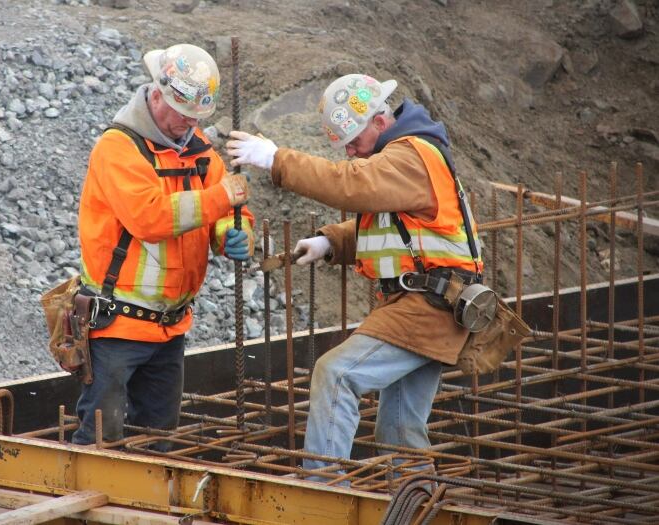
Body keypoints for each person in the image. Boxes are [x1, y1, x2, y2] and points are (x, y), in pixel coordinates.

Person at [226, 74, 483, 480]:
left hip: (425, 308)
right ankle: (416, 506)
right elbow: (396, 225)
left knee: (335, 375)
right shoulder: (406, 158)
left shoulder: (410, 156)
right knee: (400, 431)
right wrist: (331, 243)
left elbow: (349, 185)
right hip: (436, 306)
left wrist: (276, 159)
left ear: (379, 122)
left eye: (352, 139)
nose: (349, 150)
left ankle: (320, 497)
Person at [73, 43, 255, 447]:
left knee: (159, 440)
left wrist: (232, 235)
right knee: (104, 439)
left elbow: (225, 211)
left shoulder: (199, 149)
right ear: (156, 94)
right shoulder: (118, 148)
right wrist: (223, 199)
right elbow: (150, 218)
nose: (188, 125)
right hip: (117, 328)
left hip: (170, 328)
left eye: (196, 117)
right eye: (182, 113)